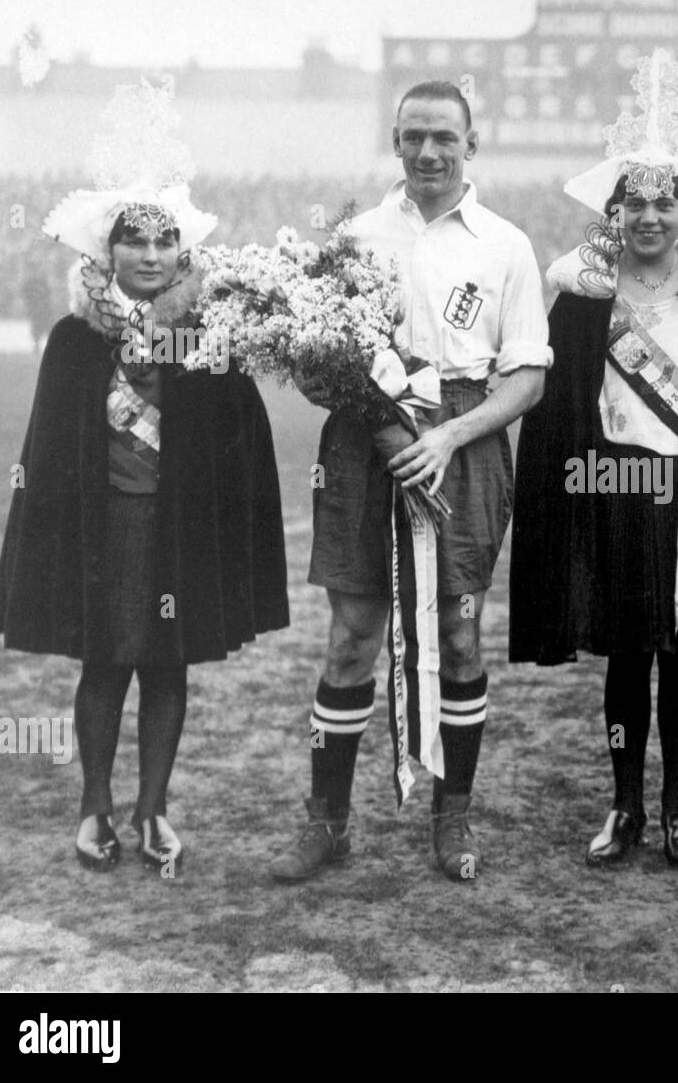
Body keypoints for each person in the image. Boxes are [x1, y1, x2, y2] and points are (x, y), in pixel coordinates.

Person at [0, 81, 289, 875]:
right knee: (105, 662)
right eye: (135, 242)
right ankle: (96, 805)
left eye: (164, 244)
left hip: (176, 521)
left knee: (167, 662)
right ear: (109, 249)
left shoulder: (206, 332)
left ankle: (152, 807)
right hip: (105, 522)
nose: (150, 256)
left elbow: (241, 431)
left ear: (180, 252)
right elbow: (46, 453)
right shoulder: (73, 338)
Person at [509, 49, 678, 870]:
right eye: (635, 202)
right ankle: (625, 802)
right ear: (614, 211)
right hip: (615, 490)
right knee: (627, 654)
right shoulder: (585, 296)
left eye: (665, 203)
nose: (649, 217)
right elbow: (560, 414)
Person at [268, 80, 551, 883]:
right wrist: (376, 412)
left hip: (468, 438)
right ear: (395, 142)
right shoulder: (354, 239)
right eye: (414, 136)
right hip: (364, 441)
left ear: (472, 143)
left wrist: (450, 436)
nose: (429, 152)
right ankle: (328, 821)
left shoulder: (505, 244)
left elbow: (528, 374)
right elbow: (318, 367)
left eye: (445, 137)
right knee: (353, 632)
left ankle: (451, 814)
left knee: (458, 630)